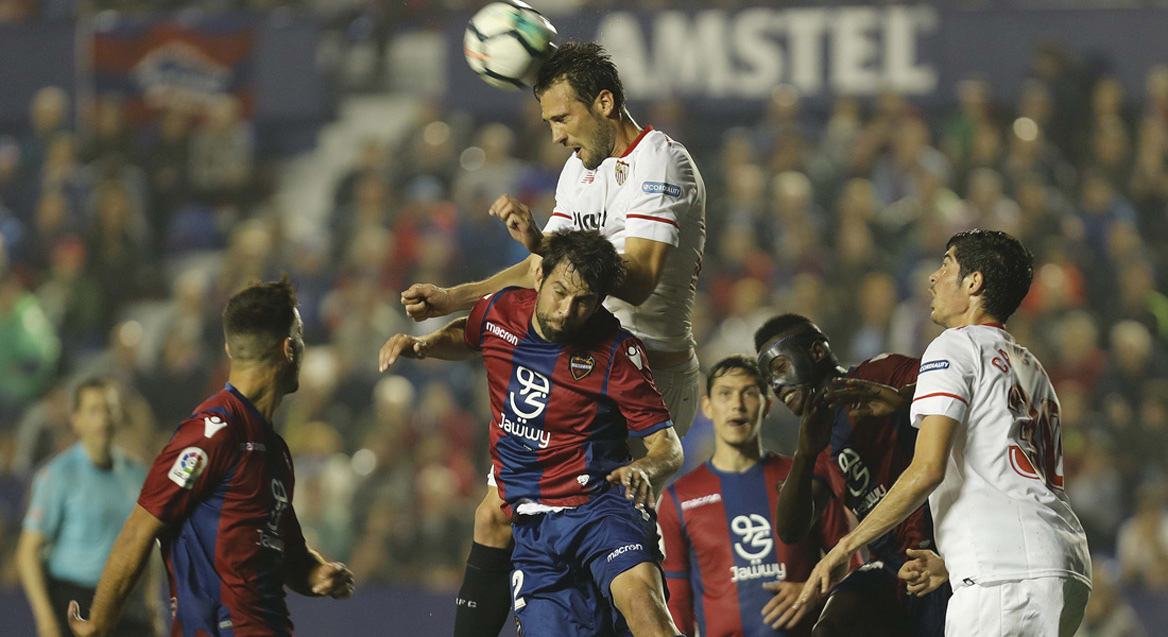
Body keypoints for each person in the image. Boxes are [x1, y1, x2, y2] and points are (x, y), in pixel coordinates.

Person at [399, 42, 707, 637]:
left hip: (643, 379)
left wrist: (544, 245)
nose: (557, 136)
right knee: (496, 517)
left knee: (624, 571)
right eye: (549, 123)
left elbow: (638, 282)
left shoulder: (659, 161)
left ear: (605, 102)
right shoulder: (580, 171)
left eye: (563, 119)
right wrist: (455, 297)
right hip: (573, 365)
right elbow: (549, 274)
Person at [379, 230, 684, 637]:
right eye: (560, 292)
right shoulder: (499, 311)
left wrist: (648, 468)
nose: (566, 310)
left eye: (584, 302)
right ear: (539, 277)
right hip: (535, 528)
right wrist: (428, 345)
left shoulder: (615, 351)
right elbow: (469, 337)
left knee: (644, 607)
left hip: (601, 509)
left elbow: (668, 446)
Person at [796, 230, 1092, 637]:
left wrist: (846, 547)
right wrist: (953, 561)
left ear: (973, 283)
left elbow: (928, 469)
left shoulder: (953, 345)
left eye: (946, 265)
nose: (933, 278)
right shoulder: (1031, 367)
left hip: (1005, 580)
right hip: (1062, 566)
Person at [66, 277, 354, 637]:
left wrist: (317, 573)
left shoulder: (274, 449)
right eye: (301, 337)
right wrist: (99, 624)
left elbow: (288, 553)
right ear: (289, 349)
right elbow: (140, 528)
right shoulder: (213, 433)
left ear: (230, 350)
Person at [754, 314, 950, 637]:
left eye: (778, 368)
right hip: (891, 567)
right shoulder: (814, 445)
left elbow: (959, 386)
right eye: (768, 378)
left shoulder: (880, 371)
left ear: (817, 352)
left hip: (943, 553)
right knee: (830, 629)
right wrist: (803, 454)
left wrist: (902, 400)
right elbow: (790, 529)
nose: (776, 385)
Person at [657, 355, 859, 637]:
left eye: (749, 393)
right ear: (707, 407)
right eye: (725, 394)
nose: (737, 405)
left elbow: (854, 568)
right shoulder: (677, 499)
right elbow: (676, 602)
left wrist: (812, 591)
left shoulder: (807, 479)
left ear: (766, 406)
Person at [17, 379, 160, 637]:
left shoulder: (137, 474)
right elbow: (27, 553)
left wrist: (152, 605)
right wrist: (46, 620)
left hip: (127, 603)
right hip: (74, 602)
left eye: (109, 409)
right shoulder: (57, 475)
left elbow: (146, 545)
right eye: (94, 410)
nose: (103, 419)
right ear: (76, 420)